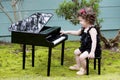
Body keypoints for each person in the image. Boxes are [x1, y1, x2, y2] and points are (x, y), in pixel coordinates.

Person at [60, 7, 101, 75]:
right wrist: (66, 32)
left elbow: (94, 41)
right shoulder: (84, 28)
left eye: (81, 21)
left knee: (82, 57)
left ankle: (84, 69)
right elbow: (76, 32)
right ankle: (78, 66)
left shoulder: (92, 30)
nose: (80, 22)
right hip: (85, 47)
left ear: (87, 20)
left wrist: (92, 52)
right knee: (76, 52)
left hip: (92, 49)